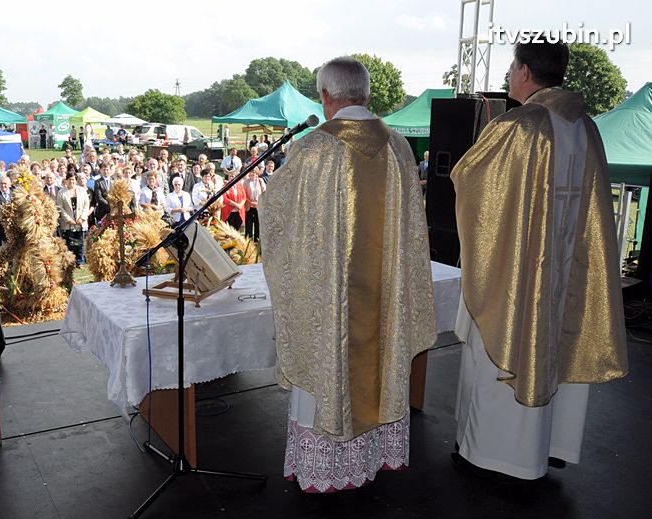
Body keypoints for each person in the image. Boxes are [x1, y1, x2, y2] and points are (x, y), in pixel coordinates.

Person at [450, 41, 628, 481]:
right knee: (559, 340)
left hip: (518, 276)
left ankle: (493, 456)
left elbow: (470, 181)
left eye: (512, 68)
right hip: (568, 270)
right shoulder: (585, 127)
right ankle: (552, 445)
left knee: (506, 341)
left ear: (526, 71)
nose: (510, 76)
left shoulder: (520, 127)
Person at [260, 56, 435, 493]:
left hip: (332, 302)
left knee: (330, 364)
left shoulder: (316, 148)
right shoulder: (397, 146)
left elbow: (279, 214)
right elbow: (413, 229)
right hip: (383, 296)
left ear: (325, 96)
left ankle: (327, 468)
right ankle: (372, 458)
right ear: (367, 94)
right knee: (379, 359)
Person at [57, 174, 90, 267]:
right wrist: (68, 220)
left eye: (73, 180)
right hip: (68, 223)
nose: (72, 182)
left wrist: (82, 218)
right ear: (66, 181)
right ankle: (71, 262)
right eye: (70, 180)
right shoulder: (61, 192)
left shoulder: (82, 190)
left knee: (80, 242)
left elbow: (86, 205)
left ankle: (80, 261)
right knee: (70, 242)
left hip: (80, 221)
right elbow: (60, 207)